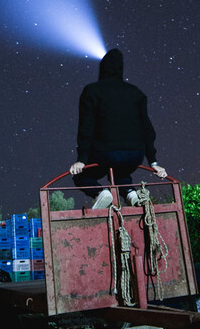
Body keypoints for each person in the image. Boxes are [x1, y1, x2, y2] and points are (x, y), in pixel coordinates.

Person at [70, 48, 167, 209]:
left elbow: (86, 127)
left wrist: (82, 159)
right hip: (135, 155)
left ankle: (100, 192)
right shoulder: (137, 93)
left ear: (102, 68)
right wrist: (153, 161)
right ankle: (130, 194)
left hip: (104, 153)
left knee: (81, 176)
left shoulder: (91, 91)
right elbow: (147, 129)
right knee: (121, 172)